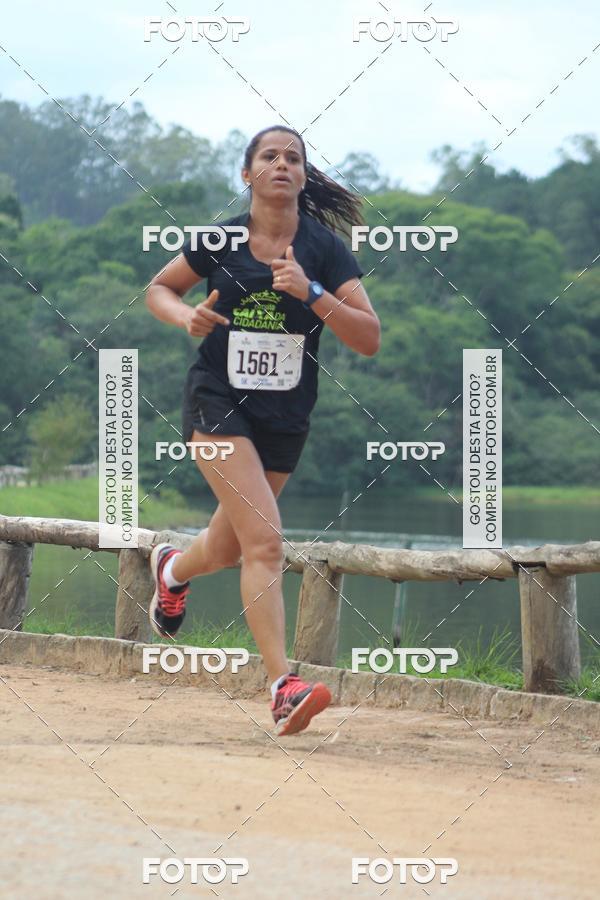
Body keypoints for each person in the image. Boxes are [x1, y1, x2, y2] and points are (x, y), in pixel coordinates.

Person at [145, 125, 380, 735]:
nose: (282, 164)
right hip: (217, 402)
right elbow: (160, 289)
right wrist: (184, 316)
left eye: (293, 158)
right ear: (247, 174)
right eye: (269, 156)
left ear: (303, 178)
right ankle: (282, 685)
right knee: (267, 544)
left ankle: (171, 570)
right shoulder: (220, 240)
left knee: (227, 548)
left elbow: (369, 337)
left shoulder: (324, 250)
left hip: (286, 415)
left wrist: (315, 292)